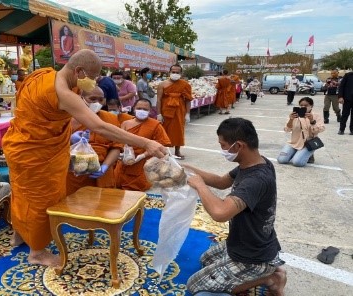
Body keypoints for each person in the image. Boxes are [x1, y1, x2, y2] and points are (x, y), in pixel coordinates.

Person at [2, 49, 167, 266]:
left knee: (22, 193)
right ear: (79, 71)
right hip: (37, 154)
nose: (94, 82)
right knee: (40, 200)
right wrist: (146, 143)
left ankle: (20, 235)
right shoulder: (63, 93)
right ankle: (37, 252)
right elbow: (99, 126)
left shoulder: (43, 75)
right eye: (92, 77)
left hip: (20, 146)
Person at [183, 117, 286, 296]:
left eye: (223, 145)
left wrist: (200, 185)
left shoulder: (256, 179)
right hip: (242, 242)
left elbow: (220, 213)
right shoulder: (253, 163)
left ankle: (271, 279)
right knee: (205, 260)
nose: (222, 149)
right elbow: (222, 182)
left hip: (252, 255)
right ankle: (264, 272)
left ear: (238, 146)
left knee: (196, 287)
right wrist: (186, 168)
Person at [66, 86, 122, 195]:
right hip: (76, 173)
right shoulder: (70, 119)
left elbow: (117, 147)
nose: (97, 103)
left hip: (103, 173)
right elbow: (56, 145)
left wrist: (105, 166)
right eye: (93, 99)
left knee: (104, 208)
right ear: (81, 98)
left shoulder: (110, 119)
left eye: (101, 100)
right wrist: (70, 140)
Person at [115, 99, 170, 191]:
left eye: (145, 109)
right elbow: (118, 141)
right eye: (139, 108)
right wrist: (121, 153)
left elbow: (161, 144)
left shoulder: (155, 125)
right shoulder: (125, 123)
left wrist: (142, 155)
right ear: (134, 109)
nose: (142, 111)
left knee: (136, 193)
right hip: (125, 162)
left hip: (142, 164)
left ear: (150, 111)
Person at [156, 64, 192, 159]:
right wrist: (159, 114)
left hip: (179, 111)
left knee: (178, 130)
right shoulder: (162, 84)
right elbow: (159, 100)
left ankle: (177, 151)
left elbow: (188, 100)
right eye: (173, 72)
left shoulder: (185, 85)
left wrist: (187, 113)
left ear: (181, 73)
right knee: (163, 131)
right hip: (165, 110)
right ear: (169, 72)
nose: (175, 74)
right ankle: (163, 151)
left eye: (177, 72)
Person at [277, 97, 325, 166]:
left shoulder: (316, 116)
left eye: (306, 105)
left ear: (311, 106)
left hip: (308, 144)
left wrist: (312, 121)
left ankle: (308, 155)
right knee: (281, 160)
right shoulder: (295, 115)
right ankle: (297, 153)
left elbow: (321, 129)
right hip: (295, 142)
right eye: (301, 105)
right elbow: (287, 129)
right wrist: (291, 120)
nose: (303, 107)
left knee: (297, 162)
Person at [338, 71, 353, 135]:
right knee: (345, 115)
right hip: (347, 99)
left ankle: (352, 130)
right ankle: (341, 129)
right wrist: (340, 97)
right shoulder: (348, 75)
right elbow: (341, 86)